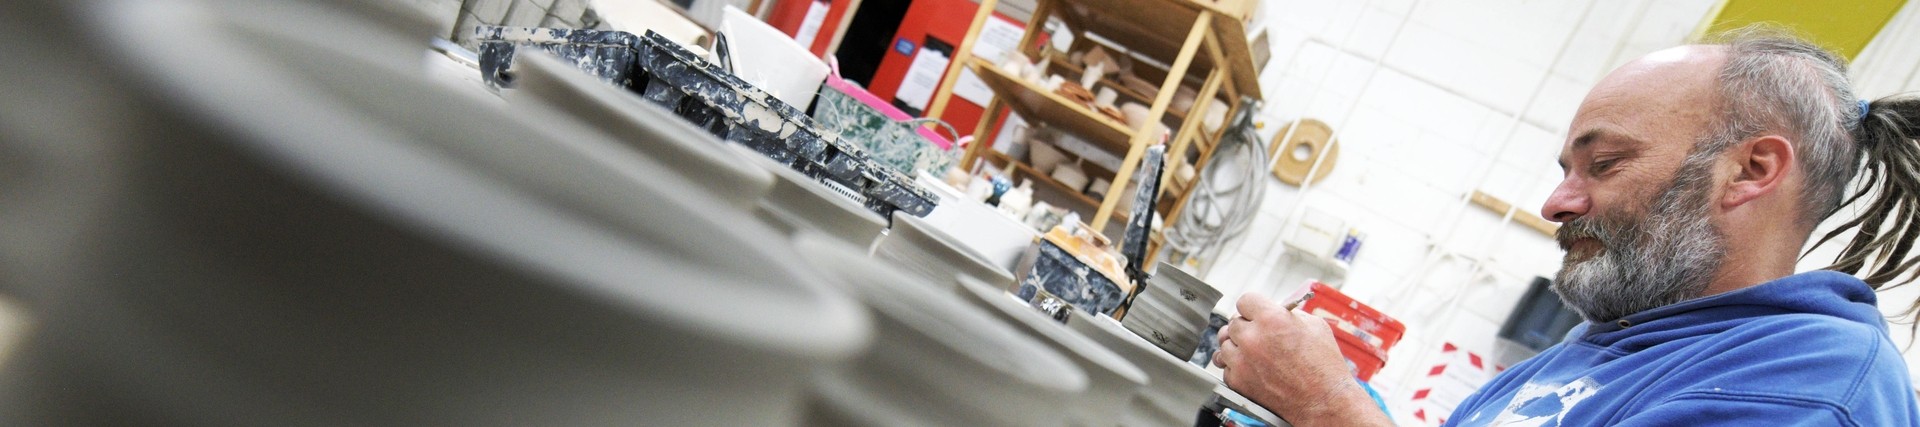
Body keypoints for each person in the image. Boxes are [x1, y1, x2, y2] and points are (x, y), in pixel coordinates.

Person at [1213, 27, 1920, 426]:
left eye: (1604, 162)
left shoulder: (1811, 388)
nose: (1555, 203)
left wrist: (1327, 406)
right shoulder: (1614, 344)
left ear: (1752, 169)